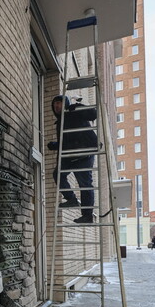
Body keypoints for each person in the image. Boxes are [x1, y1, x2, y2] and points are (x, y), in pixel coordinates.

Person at [48, 95, 97, 224]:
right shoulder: (60, 123)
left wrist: (77, 107)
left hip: (83, 154)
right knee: (58, 174)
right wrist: (54, 145)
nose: (57, 106)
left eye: (59, 103)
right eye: (55, 105)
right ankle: (71, 199)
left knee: (85, 185)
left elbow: (93, 114)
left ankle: (87, 215)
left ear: (66, 103)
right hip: (71, 156)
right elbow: (66, 142)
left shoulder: (73, 112)